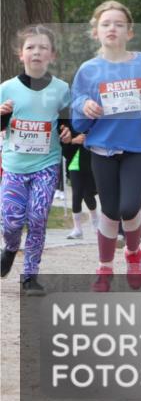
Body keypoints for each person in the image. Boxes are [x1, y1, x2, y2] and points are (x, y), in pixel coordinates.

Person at [71, 1, 141, 292]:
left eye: (118, 24)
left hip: (134, 146)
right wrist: (84, 106)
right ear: (95, 33)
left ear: (129, 32)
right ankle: (104, 268)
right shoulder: (88, 69)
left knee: (129, 207)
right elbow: (76, 100)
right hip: (101, 147)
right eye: (105, 24)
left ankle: (133, 254)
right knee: (110, 210)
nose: (111, 28)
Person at [0, 25, 73, 295]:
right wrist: (2, 115)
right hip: (14, 167)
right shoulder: (6, 88)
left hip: (46, 164)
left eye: (43, 47)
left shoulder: (61, 89)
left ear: (52, 55)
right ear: (21, 54)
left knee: (38, 216)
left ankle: (30, 276)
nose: (36, 52)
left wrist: (68, 132)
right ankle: (9, 247)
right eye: (30, 47)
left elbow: (68, 126)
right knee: (11, 222)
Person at [66, 134, 98, 239]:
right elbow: (63, 143)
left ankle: (95, 220)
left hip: (91, 162)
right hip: (74, 163)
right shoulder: (71, 123)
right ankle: (77, 229)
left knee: (88, 195)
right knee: (77, 195)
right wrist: (74, 140)